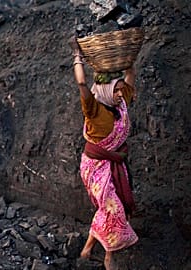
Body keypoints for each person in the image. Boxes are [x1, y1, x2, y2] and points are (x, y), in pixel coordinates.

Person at [70, 37, 138, 270]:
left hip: (115, 163)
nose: (121, 94)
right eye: (117, 91)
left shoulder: (120, 103)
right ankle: (109, 256)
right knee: (113, 208)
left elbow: (130, 73)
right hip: (95, 165)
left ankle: (88, 249)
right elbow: (81, 85)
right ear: (107, 90)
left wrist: (128, 56)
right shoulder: (94, 108)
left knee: (109, 208)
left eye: (121, 90)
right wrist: (77, 56)